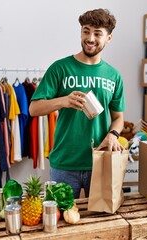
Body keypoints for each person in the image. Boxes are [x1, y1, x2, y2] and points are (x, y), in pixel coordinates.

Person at [29, 8, 125, 199]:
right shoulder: (60, 68)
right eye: (86, 31)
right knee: (61, 223)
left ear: (109, 38)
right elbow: (34, 109)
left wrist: (114, 135)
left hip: (100, 161)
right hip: (64, 164)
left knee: (101, 221)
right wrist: (63, 101)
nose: (90, 38)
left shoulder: (114, 76)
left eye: (97, 33)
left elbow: (118, 118)